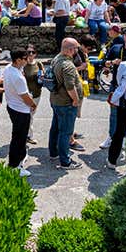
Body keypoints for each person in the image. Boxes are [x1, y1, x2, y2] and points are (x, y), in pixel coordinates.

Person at [48, 38, 84, 170]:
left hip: (56, 100)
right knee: (66, 132)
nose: (76, 51)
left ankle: (53, 153)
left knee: (55, 128)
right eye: (75, 49)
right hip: (66, 103)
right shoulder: (68, 65)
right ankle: (65, 161)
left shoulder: (56, 58)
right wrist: (75, 100)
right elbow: (70, 87)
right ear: (70, 49)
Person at [2, 48, 38, 177]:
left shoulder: (8, 68)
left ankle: (20, 158)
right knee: (19, 138)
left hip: (12, 106)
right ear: (18, 60)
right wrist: (33, 104)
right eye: (24, 58)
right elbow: (25, 97)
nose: (27, 60)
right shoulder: (18, 77)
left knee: (18, 136)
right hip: (20, 110)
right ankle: (14, 166)